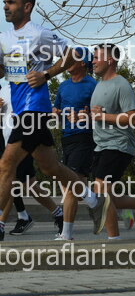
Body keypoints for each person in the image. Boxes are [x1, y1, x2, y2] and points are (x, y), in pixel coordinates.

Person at [0, 0, 109, 237]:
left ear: (27, 7)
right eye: (4, 2)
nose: (5, 6)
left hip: (34, 109)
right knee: (50, 167)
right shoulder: (4, 38)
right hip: (21, 110)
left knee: (6, 163)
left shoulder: (39, 35)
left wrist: (46, 74)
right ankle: (94, 200)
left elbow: (72, 54)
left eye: (11, 2)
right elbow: (6, 71)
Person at [73, 44, 135, 238]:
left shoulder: (121, 85)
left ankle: (114, 241)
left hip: (119, 144)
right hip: (101, 145)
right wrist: (86, 116)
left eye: (97, 57)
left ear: (110, 60)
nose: (92, 61)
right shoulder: (99, 85)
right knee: (106, 197)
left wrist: (101, 117)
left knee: (100, 194)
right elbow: (101, 116)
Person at [0, 82, 64, 238]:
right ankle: (58, 213)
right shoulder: (3, 87)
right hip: (7, 139)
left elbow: (36, 104)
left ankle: (3, 223)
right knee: (28, 184)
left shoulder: (23, 82)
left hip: (23, 136)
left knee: (12, 180)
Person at [52, 46, 99, 240]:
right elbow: (56, 110)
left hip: (84, 137)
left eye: (75, 57)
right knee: (78, 190)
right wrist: (57, 113)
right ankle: (114, 208)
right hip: (66, 138)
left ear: (83, 63)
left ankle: (66, 234)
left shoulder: (93, 85)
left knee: (72, 187)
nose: (69, 60)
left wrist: (86, 116)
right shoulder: (63, 86)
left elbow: (101, 114)